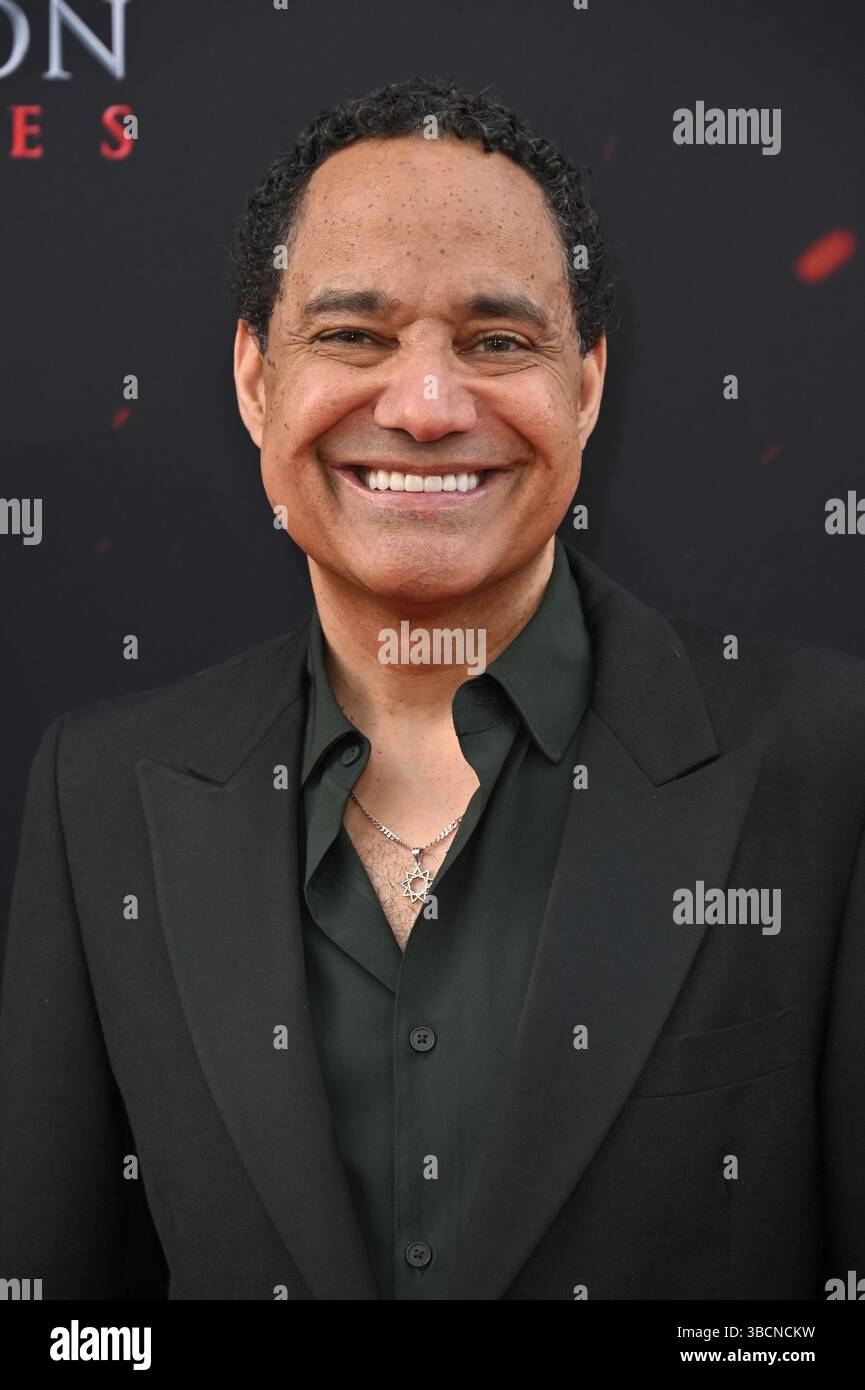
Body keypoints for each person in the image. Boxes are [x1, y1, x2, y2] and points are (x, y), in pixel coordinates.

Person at [1, 78, 863, 1302]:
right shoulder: (95, 797)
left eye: (497, 342)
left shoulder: (834, 767)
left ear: (588, 385)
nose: (422, 408)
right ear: (255, 380)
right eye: (352, 335)